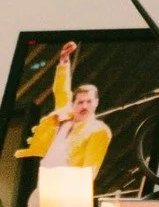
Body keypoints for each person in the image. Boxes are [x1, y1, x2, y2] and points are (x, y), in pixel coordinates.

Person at [15, 41, 112, 176]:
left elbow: (91, 169)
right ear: (74, 104)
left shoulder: (99, 130)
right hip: (45, 180)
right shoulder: (65, 117)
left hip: (68, 185)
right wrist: (64, 61)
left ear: (96, 102)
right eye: (80, 102)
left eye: (89, 101)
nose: (84, 106)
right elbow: (61, 90)